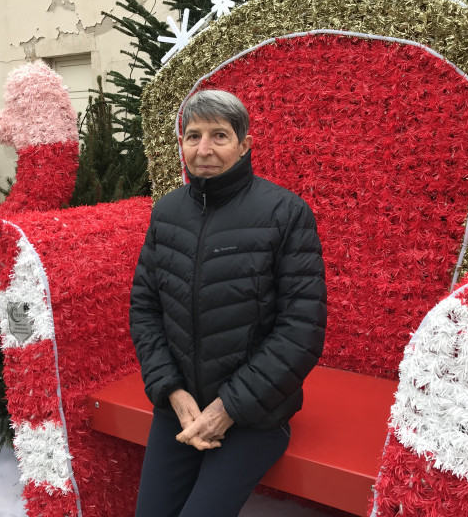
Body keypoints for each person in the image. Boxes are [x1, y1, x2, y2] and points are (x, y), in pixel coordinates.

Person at [129, 89, 327, 517]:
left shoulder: (285, 213)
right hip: (180, 409)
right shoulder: (166, 212)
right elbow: (146, 309)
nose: (204, 150)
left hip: (254, 415)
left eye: (219, 136)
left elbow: (301, 331)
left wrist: (226, 409)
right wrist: (174, 395)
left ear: (245, 144)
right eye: (193, 135)